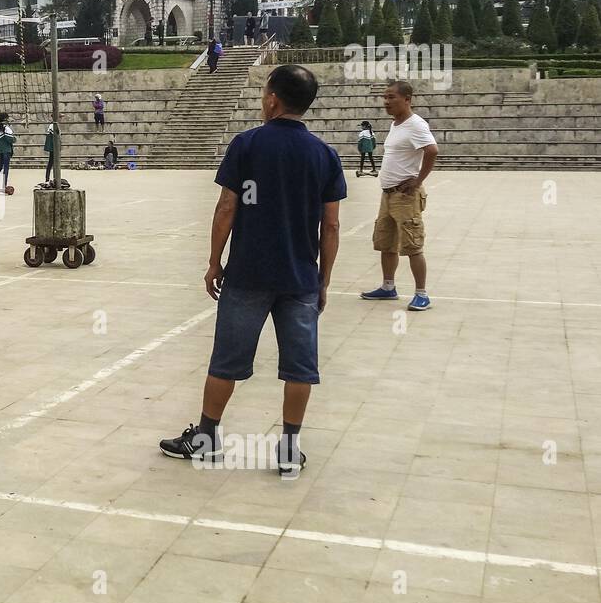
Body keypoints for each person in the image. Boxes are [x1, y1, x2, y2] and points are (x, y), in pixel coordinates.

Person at [159, 65, 346, 479]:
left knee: (226, 360)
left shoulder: (247, 144)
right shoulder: (325, 155)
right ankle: (289, 448)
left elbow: (228, 207)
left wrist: (213, 261)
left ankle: (206, 439)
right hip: (299, 278)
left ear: (273, 99)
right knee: (300, 366)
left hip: (247, 274)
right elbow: (330, 226)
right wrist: (324, 280)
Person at [361, 81, 439, 311]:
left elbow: (432, 151)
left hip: (405, 196)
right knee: (387, 242)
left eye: (392, 97)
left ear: (407, 99)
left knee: (412, 244)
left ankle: (422, 294)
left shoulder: (416, 125)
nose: (386, 101)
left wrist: (418, 180)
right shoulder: (396, 124)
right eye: (385, 97)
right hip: (388, 195)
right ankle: (388, 286)